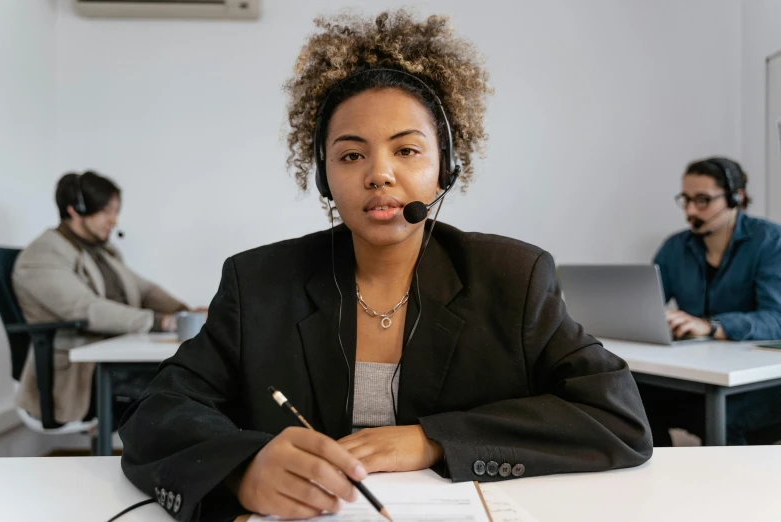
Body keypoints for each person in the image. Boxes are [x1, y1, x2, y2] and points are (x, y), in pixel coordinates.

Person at [119, 10, 652, 522]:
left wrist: (434, 438)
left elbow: (617, 417)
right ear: (325, 179)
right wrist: (242, 469)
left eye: (407, 151)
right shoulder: (259, 281)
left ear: (446, 168)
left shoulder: (513, 276)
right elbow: (158, 413)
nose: (379, 174)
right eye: (351, 155)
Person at [12, 170, 198, 427]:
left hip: (115, 358)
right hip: (77, 376)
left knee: (192, 378)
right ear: (75, 210)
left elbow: (144, 290)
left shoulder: (104, 252)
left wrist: (185, 311)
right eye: (107, 211)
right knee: (178, 392)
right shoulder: (42, 255)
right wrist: (162, 322)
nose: (114, 220)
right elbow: (86, 309)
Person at [640, 157, 781, 445]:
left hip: (759, 382)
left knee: (723, 417)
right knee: (631, 400)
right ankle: (664, 481)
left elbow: (776, 318)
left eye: (703, 200)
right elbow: (647, 306)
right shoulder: (675, 247)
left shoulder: (770, 242)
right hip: (701, 377)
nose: (691, 210)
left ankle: (729, 489)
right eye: (686, 199)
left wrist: (712, 326)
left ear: (735, 198)